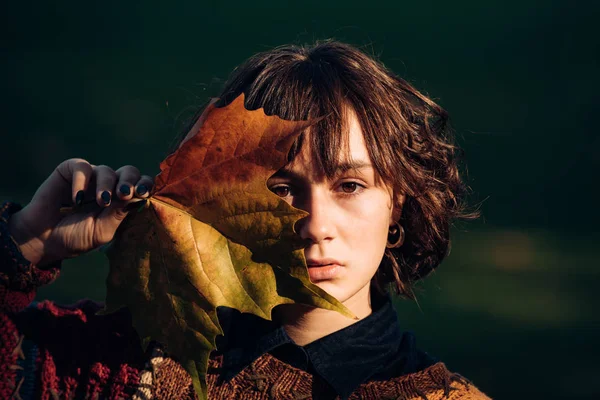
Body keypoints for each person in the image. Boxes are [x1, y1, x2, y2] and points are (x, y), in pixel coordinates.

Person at [0, 41, 490, 399]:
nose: (315, 224)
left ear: (397, 202)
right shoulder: (122, 360)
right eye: (280, 189)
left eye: (349, 185)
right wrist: (27, 242)